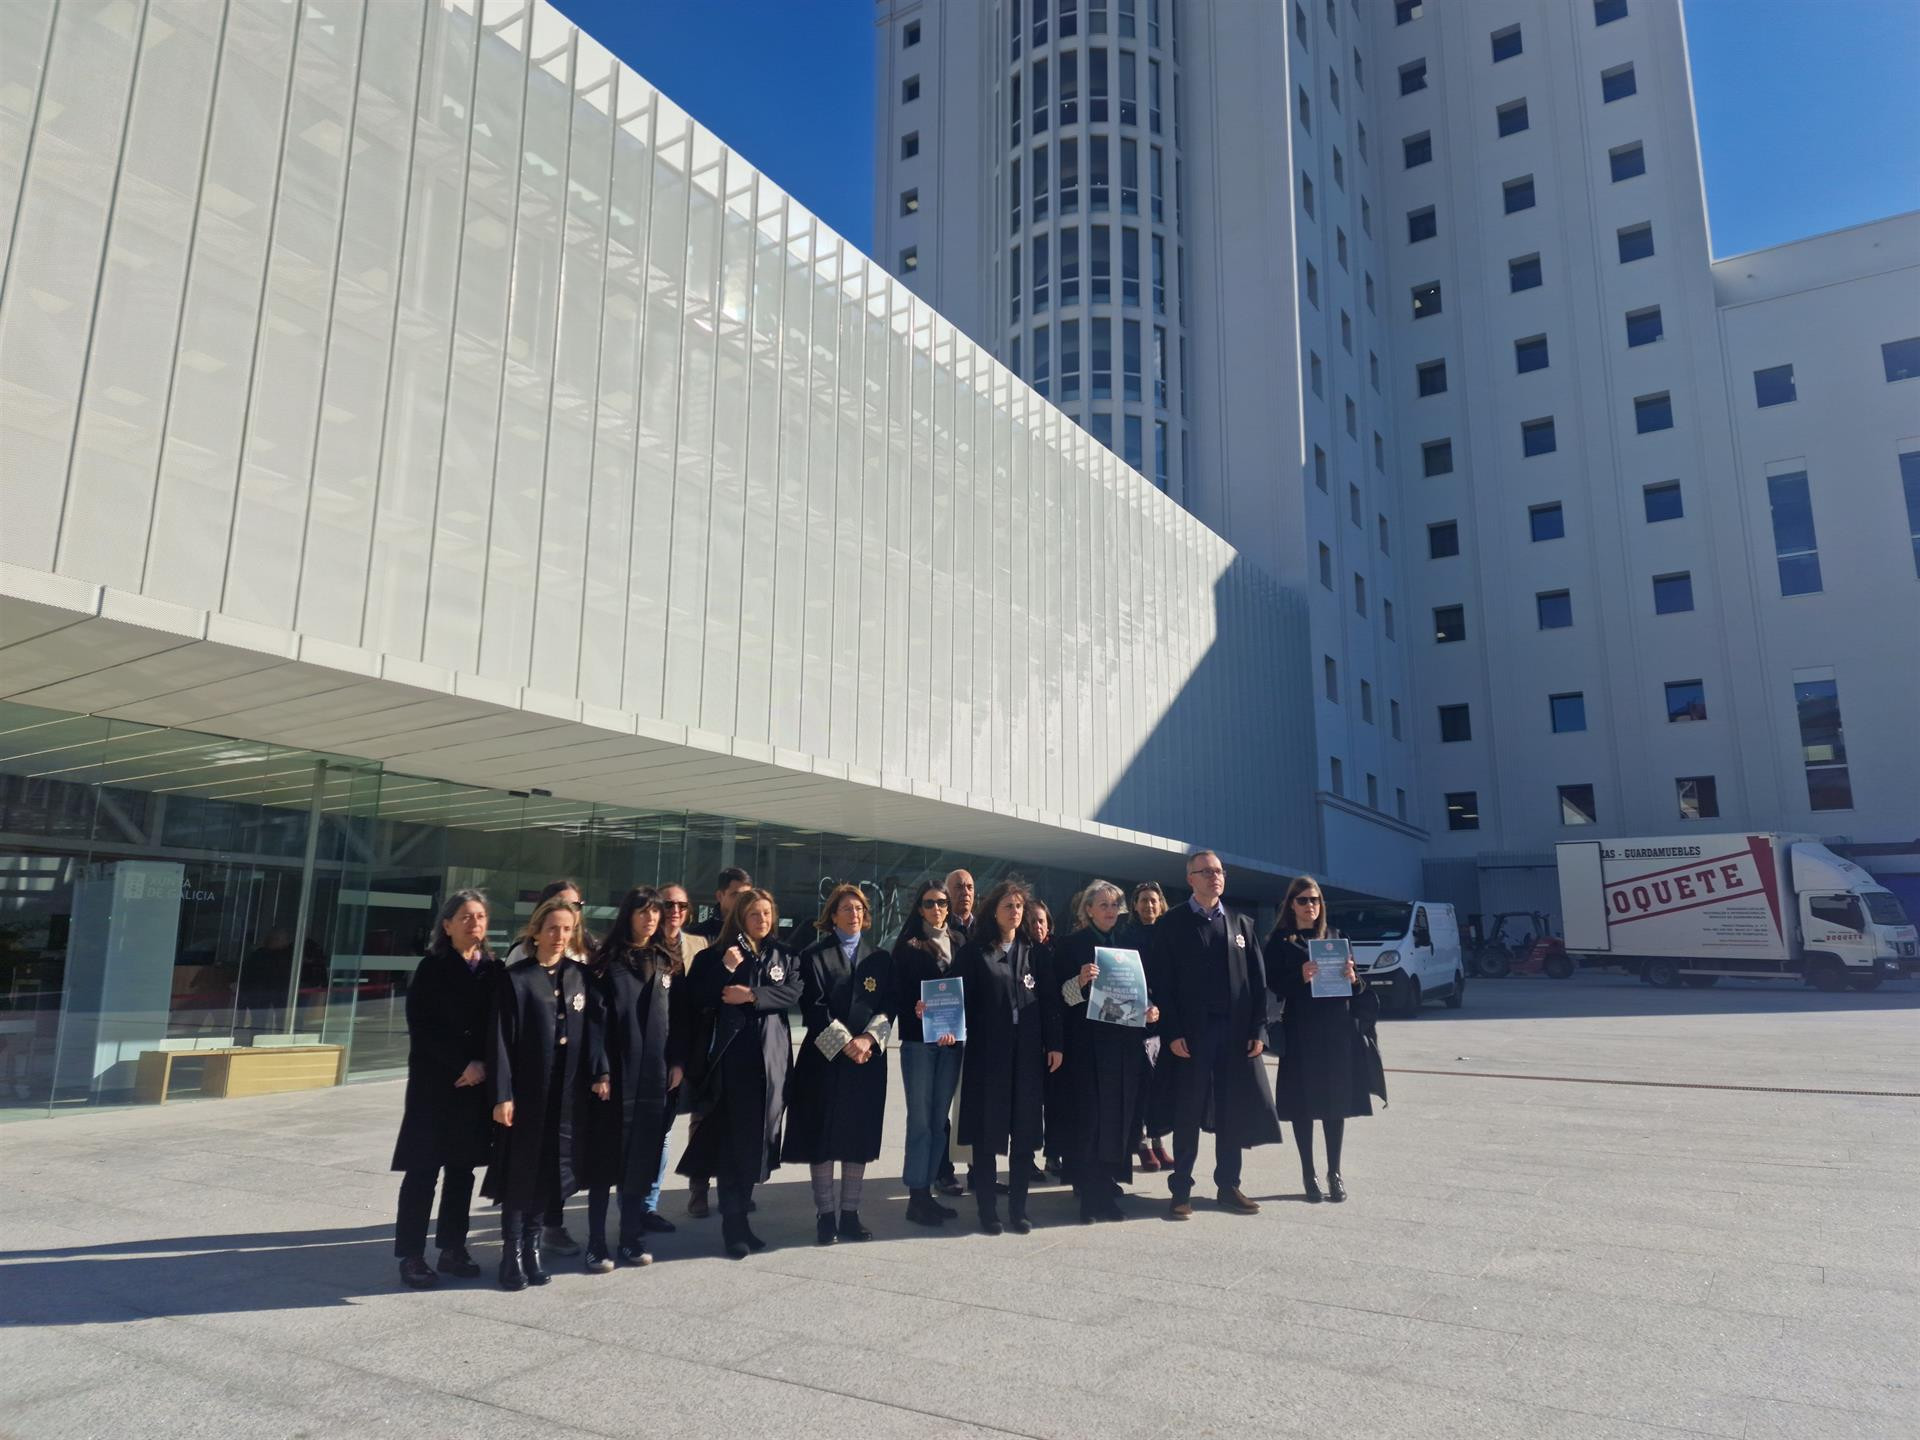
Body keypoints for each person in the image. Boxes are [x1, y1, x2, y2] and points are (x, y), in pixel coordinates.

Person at [1150, 850, 1282, 1219]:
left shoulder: (1241, 923)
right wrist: (1172, 1031)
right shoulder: (1172, 923)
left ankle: (1229, 1185)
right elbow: (1163, 982)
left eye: (1219, 871)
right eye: (1205, 871)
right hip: (1192, 1036)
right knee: (1187, 1111)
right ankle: (1180, 1190)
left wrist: (1259, 1028)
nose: (1214, 877)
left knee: (1231, 1111)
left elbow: (1259, 983)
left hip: (1236, 1034)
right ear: (1190, 878)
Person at [676, 887, 800, 1258]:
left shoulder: (784, 954)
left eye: (766, 914)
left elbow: (794, 992)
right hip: (735, 1060)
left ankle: (743, 1217)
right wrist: (726, 970)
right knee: (735, 1143)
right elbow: (698, 996)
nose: (762, 920)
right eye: (754, 915)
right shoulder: (718, 955)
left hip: (773, 1059)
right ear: (739, 918)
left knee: (761, 1141)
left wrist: (753, 996)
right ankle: (733, 1225)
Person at [482, 897, 598, 1290]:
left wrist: (600, 1073)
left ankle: (533, 1249)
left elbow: (594, 1031)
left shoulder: (580, 977)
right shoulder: (516, 979)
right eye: (552, 929)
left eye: (567, 929)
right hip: (526, 1093)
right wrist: (502, 1095)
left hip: (565, 1095)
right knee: (521, 1173)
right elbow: (499, 1041)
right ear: (535, 931)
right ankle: (511, 1253)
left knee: (550, 1172)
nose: (560, 936)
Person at [390, 890, 499, 1289]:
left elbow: (500, 1028)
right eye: (466, 917)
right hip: (436, 1086)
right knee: (422, 1171)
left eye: (481, 917)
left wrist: (484, 1066)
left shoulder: (493, 970)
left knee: (462, 1171)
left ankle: (454, 1248)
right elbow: (422, 1028)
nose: (475, 924)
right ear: (447, 925)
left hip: (475, 1087)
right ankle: (412, 1255)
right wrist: (461, 1064)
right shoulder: (431, 968)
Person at [578, 887, 685, 1270]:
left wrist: (677, 1061)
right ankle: (595, 1242)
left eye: (655, 912)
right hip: (616, 1078)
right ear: (628, 915)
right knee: (605, 1166)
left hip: (654, 1078)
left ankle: (630, 1238)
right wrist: (600, 1070)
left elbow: (677, 1019)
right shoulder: (607, 962)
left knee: (640, 1163)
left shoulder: (665, 960)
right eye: (643, 912)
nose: (651, 918)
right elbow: (595, 1022)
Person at [783, 884, 893, 1246]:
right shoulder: (813, 955)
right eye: (846, 909)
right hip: (824, 1060)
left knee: (855, 1137)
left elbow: (888, 1006)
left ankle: (850, 1213)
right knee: (823, 1137)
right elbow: (813, 1006)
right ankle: (825, 1214)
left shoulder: (879, 957)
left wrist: (868, 1041)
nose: (854, 914)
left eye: (859, 909)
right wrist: (845, 1043)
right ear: (832, 915)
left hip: (866, 1060)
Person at [955, 879, 1062, 1235]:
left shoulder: (1035, 952)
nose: (1015, 913)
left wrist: (1055, 1044)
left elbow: (1050, 1003)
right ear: (993, 911)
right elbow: (958, 1000)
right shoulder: (975, 953)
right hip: (989, 1056)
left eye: (1019, 907)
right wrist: (937, 1015)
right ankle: (988, 1210)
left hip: (1028, 1055)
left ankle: (1018, 1209)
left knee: (1024, 1133)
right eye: (1008, 907)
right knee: (987, 1136)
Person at [1052, 881, 1160, 1223]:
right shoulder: (1071, 946)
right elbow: (1059, 998)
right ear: (1088, 909)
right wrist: (1080, 981)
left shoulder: (1130, 944)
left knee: (1119, 1120)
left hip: (1125, 1047)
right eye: (1103, 905)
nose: (1110, 911)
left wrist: (1151, 1009)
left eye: (1115, 905)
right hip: (1088, 1049)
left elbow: (1144, 990)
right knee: (1091, 1122)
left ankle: (1108, 1187)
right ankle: (1089, 1194)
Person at [1267, 875, 1374, 1204]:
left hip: (1336, 1031)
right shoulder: (1279, 941)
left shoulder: (1337, 936)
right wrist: (1298, 976)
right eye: (1302, 900)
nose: (1310, 906)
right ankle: (1308, 1172)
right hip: (1302, 1032)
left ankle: (1334, 1172)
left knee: (1334, 1103)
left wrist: (1354, 979)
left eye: (1314, 900)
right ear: (1291, 905)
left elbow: (1358, 991)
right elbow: (1272, 986)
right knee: (1303, 1105)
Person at [892, 880, 963, 1226]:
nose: (937, 909)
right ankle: (916, 1196)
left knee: (938, 1122)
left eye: (942, 903)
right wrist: (913, 1007)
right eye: (930, 903)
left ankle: (930, 1190)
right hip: (920, 1044)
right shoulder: (908, 947)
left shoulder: (961, 943)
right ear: (919, 908)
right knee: (920, 1121)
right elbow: (895, 995)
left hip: (952, 1043)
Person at [1120, 881, 1174, 1172]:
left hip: (1164, 1017)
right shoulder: (1127, 935)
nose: (1148, 906)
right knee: (1141, 1085)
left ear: (1161, 904)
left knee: (1160, 1086)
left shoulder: (1169, 933)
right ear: (1135, 905)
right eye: (1143, 900)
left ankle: (1158, 1142)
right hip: (1138, 1017)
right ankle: (1140, 1145)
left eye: (1153, 900)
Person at [689, 866, 753, 942]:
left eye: (747, 896)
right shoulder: (699, 935)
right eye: (736, 895)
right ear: (720, 896)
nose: (742, 900)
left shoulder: (757, 931)